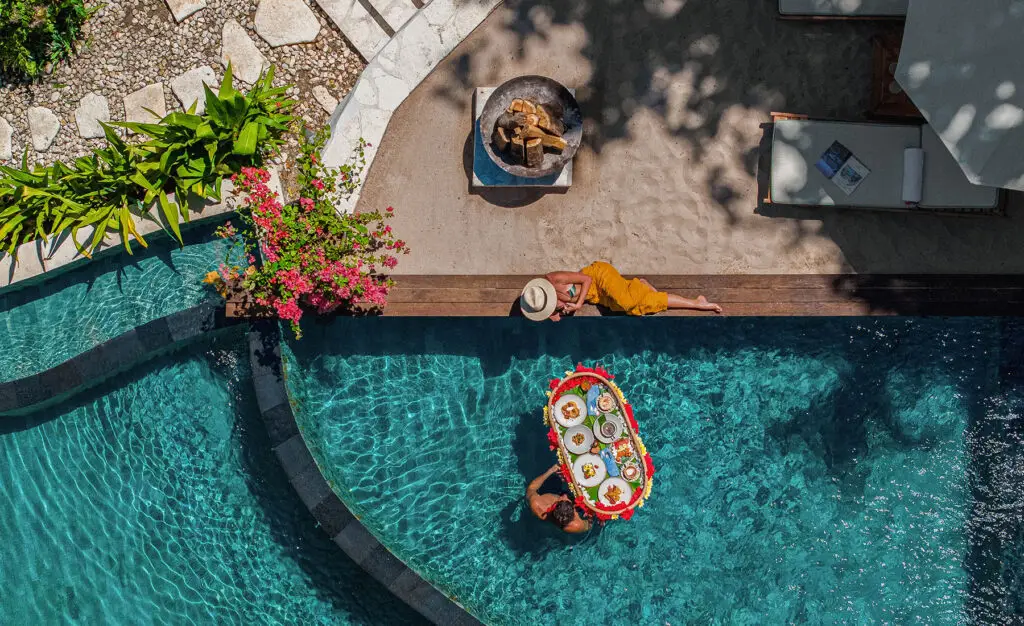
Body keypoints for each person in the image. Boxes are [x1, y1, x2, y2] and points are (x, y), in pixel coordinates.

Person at [519, 261, 723, 321]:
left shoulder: (555, 279)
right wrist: (557, 314)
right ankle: (697, 302)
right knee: (635, 308)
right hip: (598, 296)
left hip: (598, 276)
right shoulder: (542, 305)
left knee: (627, 302)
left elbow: (586, 279)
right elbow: (553, 316)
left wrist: (579, 304)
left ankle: (639, 286)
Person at [526, 464, 591, 533]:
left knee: (555, 478)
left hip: (550, 491)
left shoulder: (536, 503)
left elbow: (531, 488)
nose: (565, 495)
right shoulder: (575, 526)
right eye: (567, 500)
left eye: (562, 499)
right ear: (574, 513)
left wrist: (550, 471)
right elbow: (590, 524)